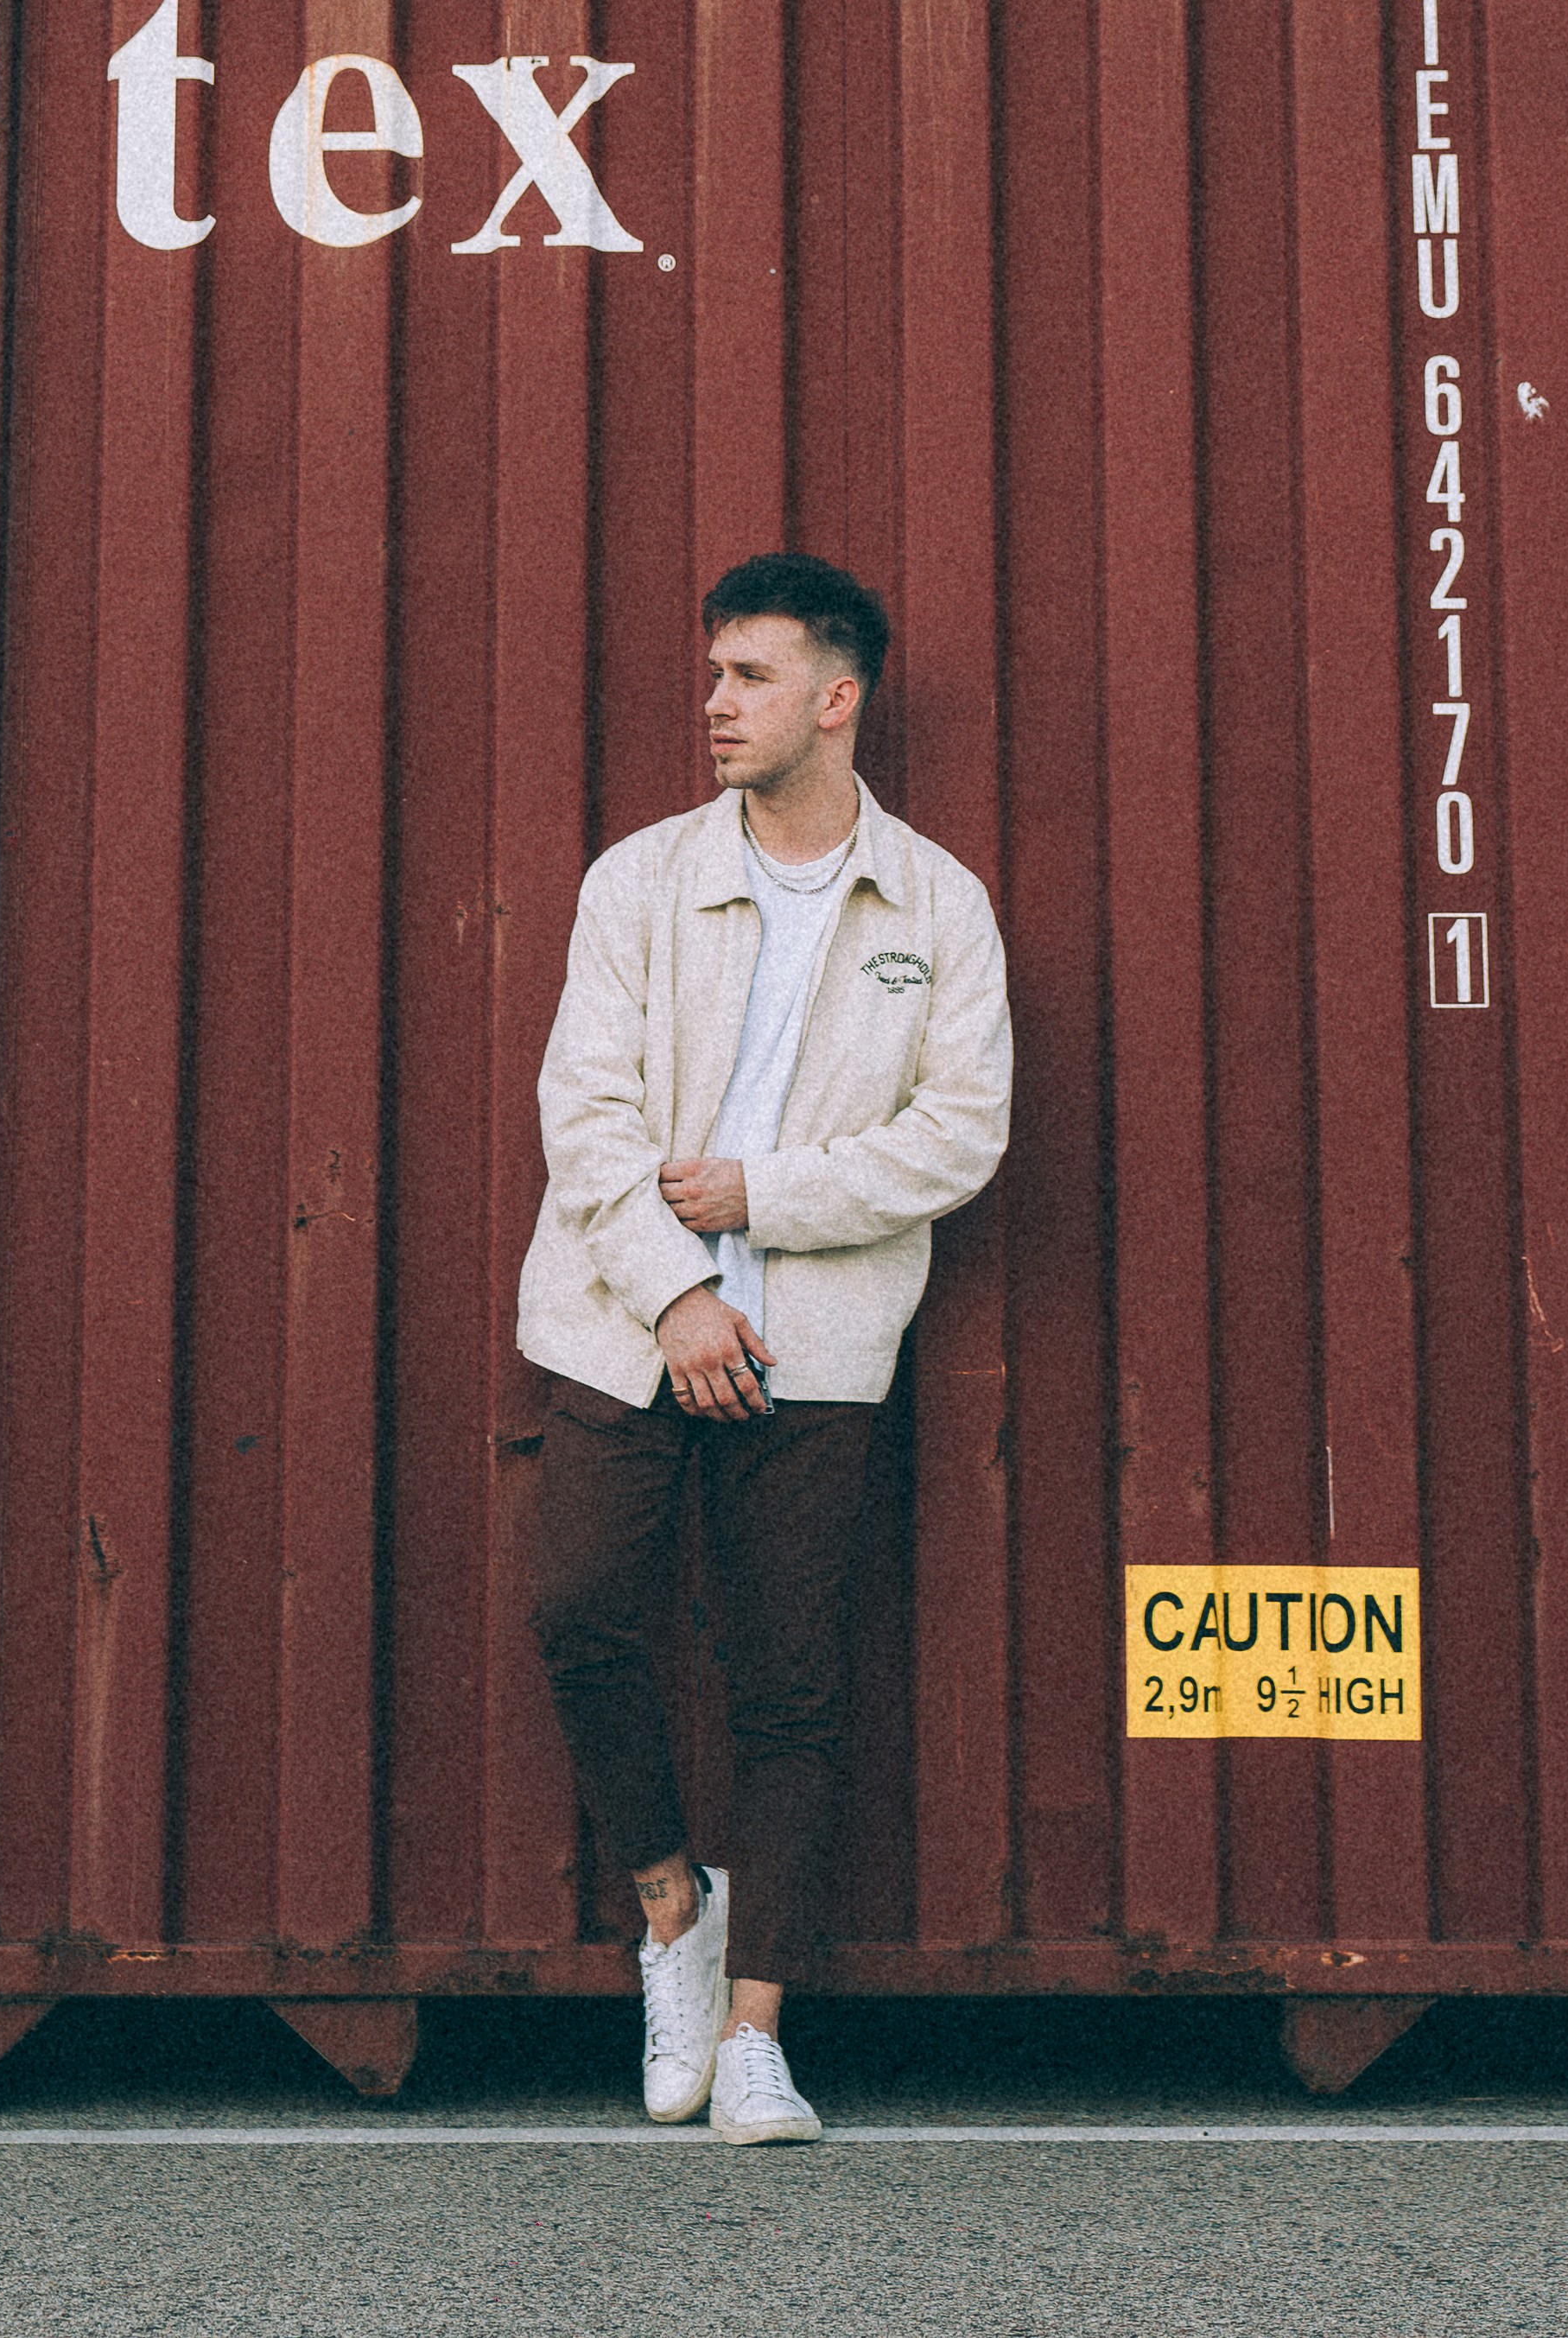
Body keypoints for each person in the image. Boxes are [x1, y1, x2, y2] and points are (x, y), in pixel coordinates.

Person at [518, 550, 1012, 2145]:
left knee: (791, 1688)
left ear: (835, 697)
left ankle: (753, 2036)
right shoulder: (639, 880)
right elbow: (583, 1113)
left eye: (749, 675)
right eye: (714, 671)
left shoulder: (935, 903)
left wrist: (766, 1200)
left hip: (817, 1344)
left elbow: (963, 1131)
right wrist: (675, 1287)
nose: (715, 702)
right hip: (624, 1321)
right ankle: (675, 1909)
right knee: (585, 1611)